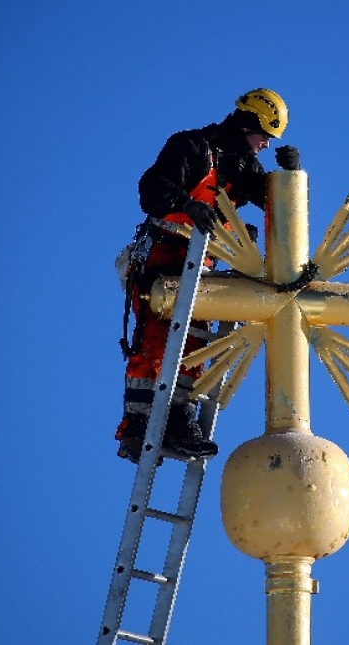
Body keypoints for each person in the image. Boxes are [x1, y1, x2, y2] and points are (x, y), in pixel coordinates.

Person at [116, 88, 301, 463]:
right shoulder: (193, 148)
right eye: (264, 135)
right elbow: (151, 189)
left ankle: (179, 419)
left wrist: (290, 178)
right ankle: (138, 428)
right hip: (163, 254)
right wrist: (187, 205)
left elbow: (272, 204)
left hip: (199, 264)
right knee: (156, 339)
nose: (266, 144)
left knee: (196, 342)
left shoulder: (242, 165)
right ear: (247, 125)